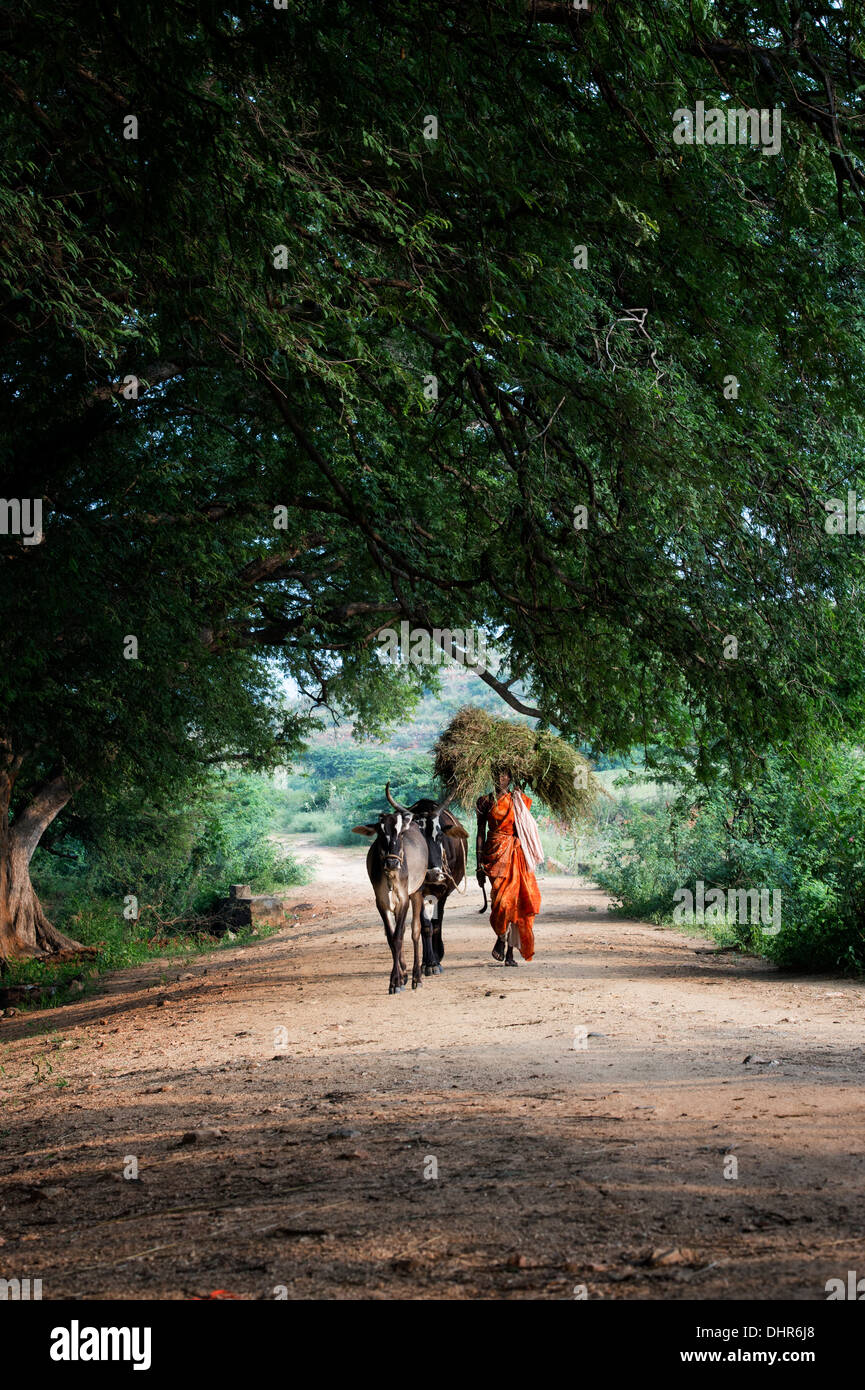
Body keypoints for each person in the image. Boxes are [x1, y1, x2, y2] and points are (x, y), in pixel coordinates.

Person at [475, 765, 542, 965]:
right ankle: (502, 938)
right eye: (496, 774)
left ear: (510, 777)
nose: (500, 778)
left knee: (515, 903)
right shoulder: (484, 801)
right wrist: (478, 863)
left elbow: (524, 826)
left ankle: (507, 948)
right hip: (494, 856)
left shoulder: (517, 800)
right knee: (500, 903)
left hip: (515, 855)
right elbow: (480, 833)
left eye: (504, 775)